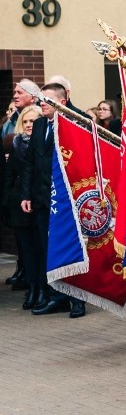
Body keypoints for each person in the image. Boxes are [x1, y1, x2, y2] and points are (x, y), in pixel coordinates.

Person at [22, 83, 86, 318]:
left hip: (66, 201)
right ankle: (56, 297)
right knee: (47, 249)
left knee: (69, 248)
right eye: (40, 99)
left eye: (47, 100)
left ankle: (77, 299)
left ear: (61, 102)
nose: (41, 104)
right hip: (41, 199)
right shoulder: (39, 125)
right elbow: (30, 163)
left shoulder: (75, 124)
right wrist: (27, 195)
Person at [3, 105, 41, 309]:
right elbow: (9, 176)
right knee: (27, 251)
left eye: (32, 121)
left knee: (39, 249)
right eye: (25, 121)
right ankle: (32, 288)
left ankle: (42, 289)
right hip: (19, 204)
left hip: (39, 203)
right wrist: (8, 202)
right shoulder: (15, 143)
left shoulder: (44, 143)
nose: (28, 125)